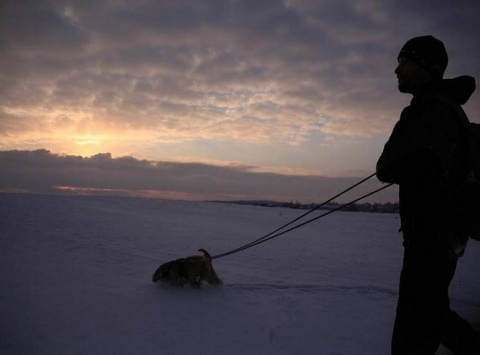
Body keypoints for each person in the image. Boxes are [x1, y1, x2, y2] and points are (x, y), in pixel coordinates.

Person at [376, 35, 479, 354]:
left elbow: (386, 167)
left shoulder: (429, 112)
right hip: (443, 240)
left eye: (404, 62)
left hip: (430, 241)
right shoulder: (447, 109)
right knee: (431, 315)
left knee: (413, 329)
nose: (397, 70)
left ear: (426, 67)